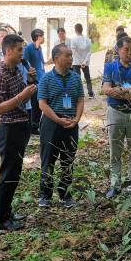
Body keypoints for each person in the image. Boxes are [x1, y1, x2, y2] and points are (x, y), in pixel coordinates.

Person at [0, 34, 38, 230]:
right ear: (8, 50)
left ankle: (7, 212)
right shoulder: (0, 75)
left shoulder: (17, 71)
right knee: (8, 173)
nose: (22, 54)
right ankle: (0, 218)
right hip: (9, 129)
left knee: (15, 173)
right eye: (19, 50)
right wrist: (22, 95)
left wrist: (29, 81)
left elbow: (24, 96)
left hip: (22, 124)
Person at [37, 44, 85, 209]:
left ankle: (66, 194)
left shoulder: (76, 77)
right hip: (51, 124)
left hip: (71, 124)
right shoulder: (46, 78)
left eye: (71, 56)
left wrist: (77, 119)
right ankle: (45, 195)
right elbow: (42, 104)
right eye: (68, 56)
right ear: (57, 58)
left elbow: (80, 100)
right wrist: (58, 119)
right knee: (48, 159)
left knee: (68, 160)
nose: (71, 59)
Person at [102, 36, 131, 198]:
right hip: (115, 112)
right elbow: (107, 89)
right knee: (115, 149)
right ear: (118, 50)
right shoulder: (110, 67)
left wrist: (122, 91)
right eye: (125, 49)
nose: (129, 53)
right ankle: (115, 183)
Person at [23, 28, 45, 134]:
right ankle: (33, 126)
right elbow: (25, 62)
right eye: (42, 36)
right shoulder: (29, 48)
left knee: (41, 102)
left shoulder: (39, 48)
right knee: (35, 103)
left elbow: (41, 63)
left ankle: (36, 124)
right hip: (34, 81)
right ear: (38, 37)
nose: (44, 38)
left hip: (42, 79)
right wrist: (31, 75)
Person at [69, 23, 94, 98]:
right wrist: (84, 62)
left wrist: (80, 62)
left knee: (77, 79)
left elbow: (74, 52)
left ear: (75, 30)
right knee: (88, 78)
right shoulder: (88, 40)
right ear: (82, 29)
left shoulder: (73, 40)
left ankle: (79, 95)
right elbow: (90, 52)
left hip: (76, 62)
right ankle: (90, 93)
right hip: (85, 63)